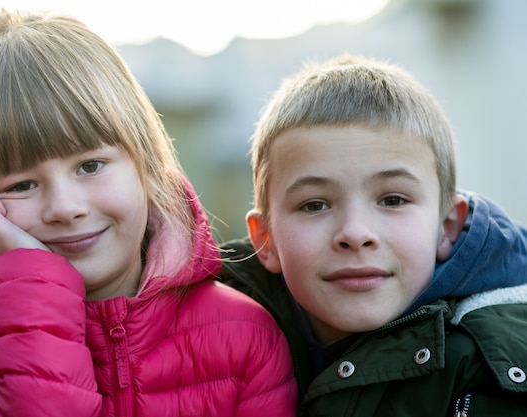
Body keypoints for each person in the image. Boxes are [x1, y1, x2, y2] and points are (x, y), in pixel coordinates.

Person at [0, 9, 298, 417]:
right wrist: (28, 284)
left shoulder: (245, 335)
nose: (65, 208)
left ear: (145, 165)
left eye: (90, 166)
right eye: (21, 185)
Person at [219, 54, 527, 416]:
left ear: (447, 227)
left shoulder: (489, 368)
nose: (355, 233)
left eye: (392, 199)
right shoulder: (209, 338)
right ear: (266, 239)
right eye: (315, 205)